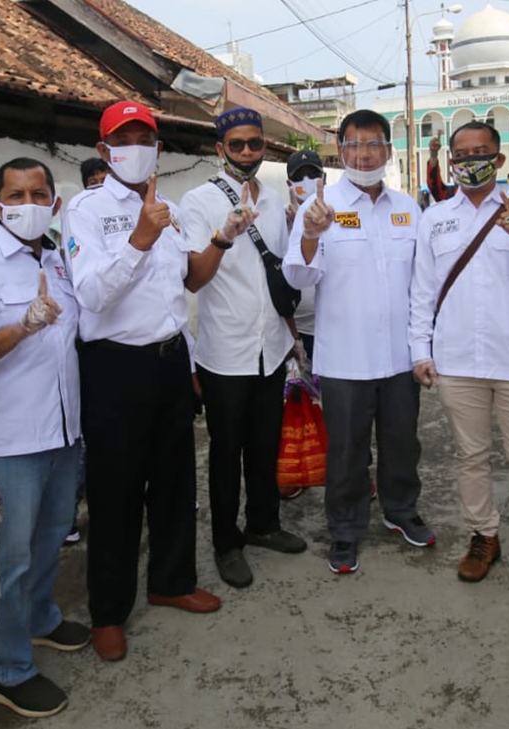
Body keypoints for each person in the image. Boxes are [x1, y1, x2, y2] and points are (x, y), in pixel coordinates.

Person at [62, 101, 220, 663]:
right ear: (105, 151)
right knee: (116, 491)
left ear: (157, 149)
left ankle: (171, 580)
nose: (136, 148)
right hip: (115, 368)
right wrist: (138, 240)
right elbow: (92, 296)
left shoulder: (169, 210)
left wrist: (192, 363)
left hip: (170, 361)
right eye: (123, 139)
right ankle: (108, 609)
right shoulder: (84, 210)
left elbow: (175, 295)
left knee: (176, 478)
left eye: (145, 138)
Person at [0, 158, 88, 718]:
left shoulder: (57, 257)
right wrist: (20, 326)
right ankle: (6, 668)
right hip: (7, 440)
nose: (27, 204)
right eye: (14, 194)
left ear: (54, 204)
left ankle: (41, 619)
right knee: (12, 557)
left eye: (38, 194)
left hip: (62, 430)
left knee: (53, 535)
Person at [408, 121, 509, 588]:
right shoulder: (434, 217)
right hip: (458, 361)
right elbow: (422, 291)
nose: (471, 161)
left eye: (481, 153)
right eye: (462, 154)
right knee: (470, 457)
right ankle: (483, 535)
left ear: (499, 160)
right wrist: (420, 349)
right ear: (452, 161)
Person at [283, 109, 431, 574]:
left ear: (388, 150)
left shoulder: (409, 208)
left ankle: (401, 511)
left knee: (402, 444)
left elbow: (422, 284)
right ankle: (345, 530)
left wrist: (423, 348)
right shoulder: (321, 209)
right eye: (353, 144)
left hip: (399, 356)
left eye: (373, 143)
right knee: (346, 452)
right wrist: (310, 233)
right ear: (341, 151)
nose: (363, 153)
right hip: (346, 358)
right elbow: (298, 274)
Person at [179, 108, 308, 589]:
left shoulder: (274, 202)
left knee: (264, 444)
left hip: (270, 346)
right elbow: (193, 278)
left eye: (255, 144)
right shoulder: (197, 202)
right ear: (220, 149)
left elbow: (279, 278)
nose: (248, 153)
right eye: (238, 145)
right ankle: (226, 542)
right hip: (225, 351)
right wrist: (223, 237)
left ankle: (264, 524)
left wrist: (293, 336)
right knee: (226, 452)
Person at [280, 149, 325, 500]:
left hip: (332, 333)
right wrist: (292, 335)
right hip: (298, 334)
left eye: (314, 174)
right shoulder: (279, 222)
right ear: (290, 183)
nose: (307, 183)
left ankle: (355, 470)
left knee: (340, 410)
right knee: (296, 408)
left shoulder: (335, 214)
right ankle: (297, 472)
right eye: (301, 177)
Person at [425, 131, 457, 203]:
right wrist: (433, 154)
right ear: (451, 163)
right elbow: (433, 183)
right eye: (460, 154)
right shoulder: (449, 195)